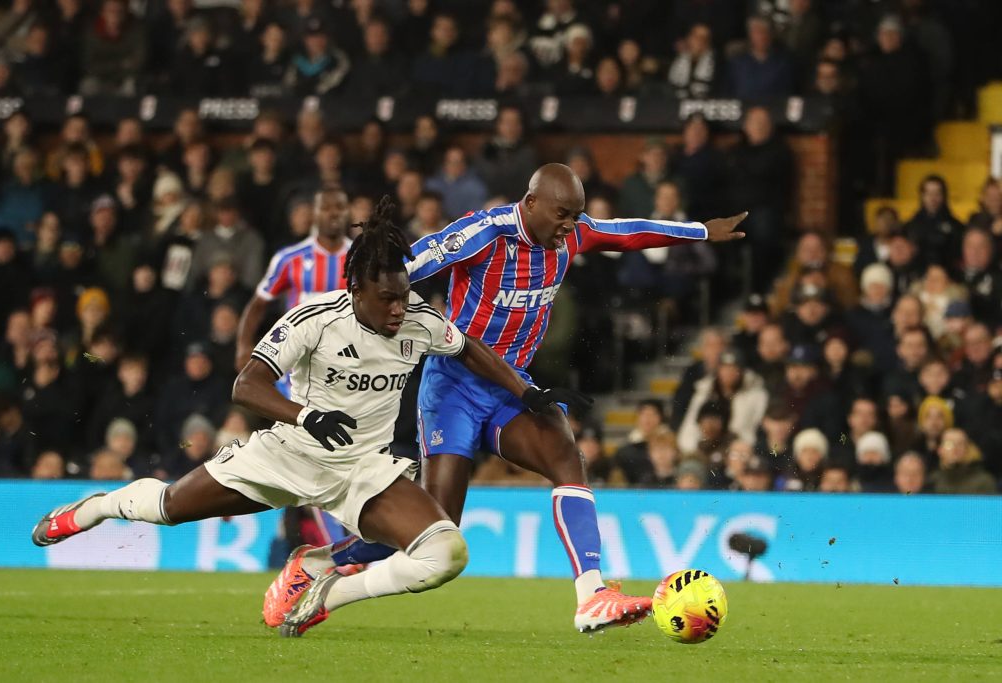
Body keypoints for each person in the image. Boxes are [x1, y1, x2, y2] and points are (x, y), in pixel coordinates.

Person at [32, 197, 583, 637]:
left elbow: (467, 348)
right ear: (354, 289)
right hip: (288, 454)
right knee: (169, 507)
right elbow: (245, 385)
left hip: (363, 469)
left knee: (445, 553)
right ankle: (97, 507)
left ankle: (326, 588)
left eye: (404, 295)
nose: (399, 309)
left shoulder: (417, 318)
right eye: (387, 299)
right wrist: (305, 416)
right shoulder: (314, 319)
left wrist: (525, 391)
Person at [277, 163, 746, 632]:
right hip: (452, 388)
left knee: (566, 457)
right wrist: (343, 323)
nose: (570, 226)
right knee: (434, 530)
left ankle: (592, 595)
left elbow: (626, 232)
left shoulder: (571, 236)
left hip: (511, 384)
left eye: (576, 216)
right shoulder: (484, 234)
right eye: (562, 214)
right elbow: (402, 269)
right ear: (532, 202)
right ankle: (319, 562)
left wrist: (700, 231)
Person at [235, 187, 350, 370]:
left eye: (339, 207)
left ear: (348, 212)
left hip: (345, 360)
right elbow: (258, 304)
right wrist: (243, 346)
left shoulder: (363, 258)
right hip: (296, 360)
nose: (333, 213)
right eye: (326, 208)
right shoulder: (289, 259)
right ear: (314, 213)